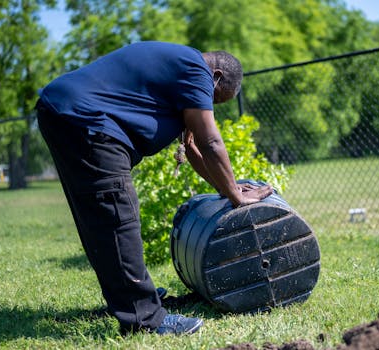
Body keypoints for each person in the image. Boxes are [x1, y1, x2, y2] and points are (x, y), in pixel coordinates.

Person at [35, 41, 273, 335]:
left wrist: (228, 188)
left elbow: (195, 147)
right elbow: (211, 142)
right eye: (214, 99)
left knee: (100, 217)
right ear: (217, 76)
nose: (207, 105)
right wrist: (237, 197)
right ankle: (145, 318)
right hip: (89, 122)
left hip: (63, 112)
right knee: (116, 214)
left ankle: (126, 299)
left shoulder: (177, 71)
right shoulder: (196, 70)